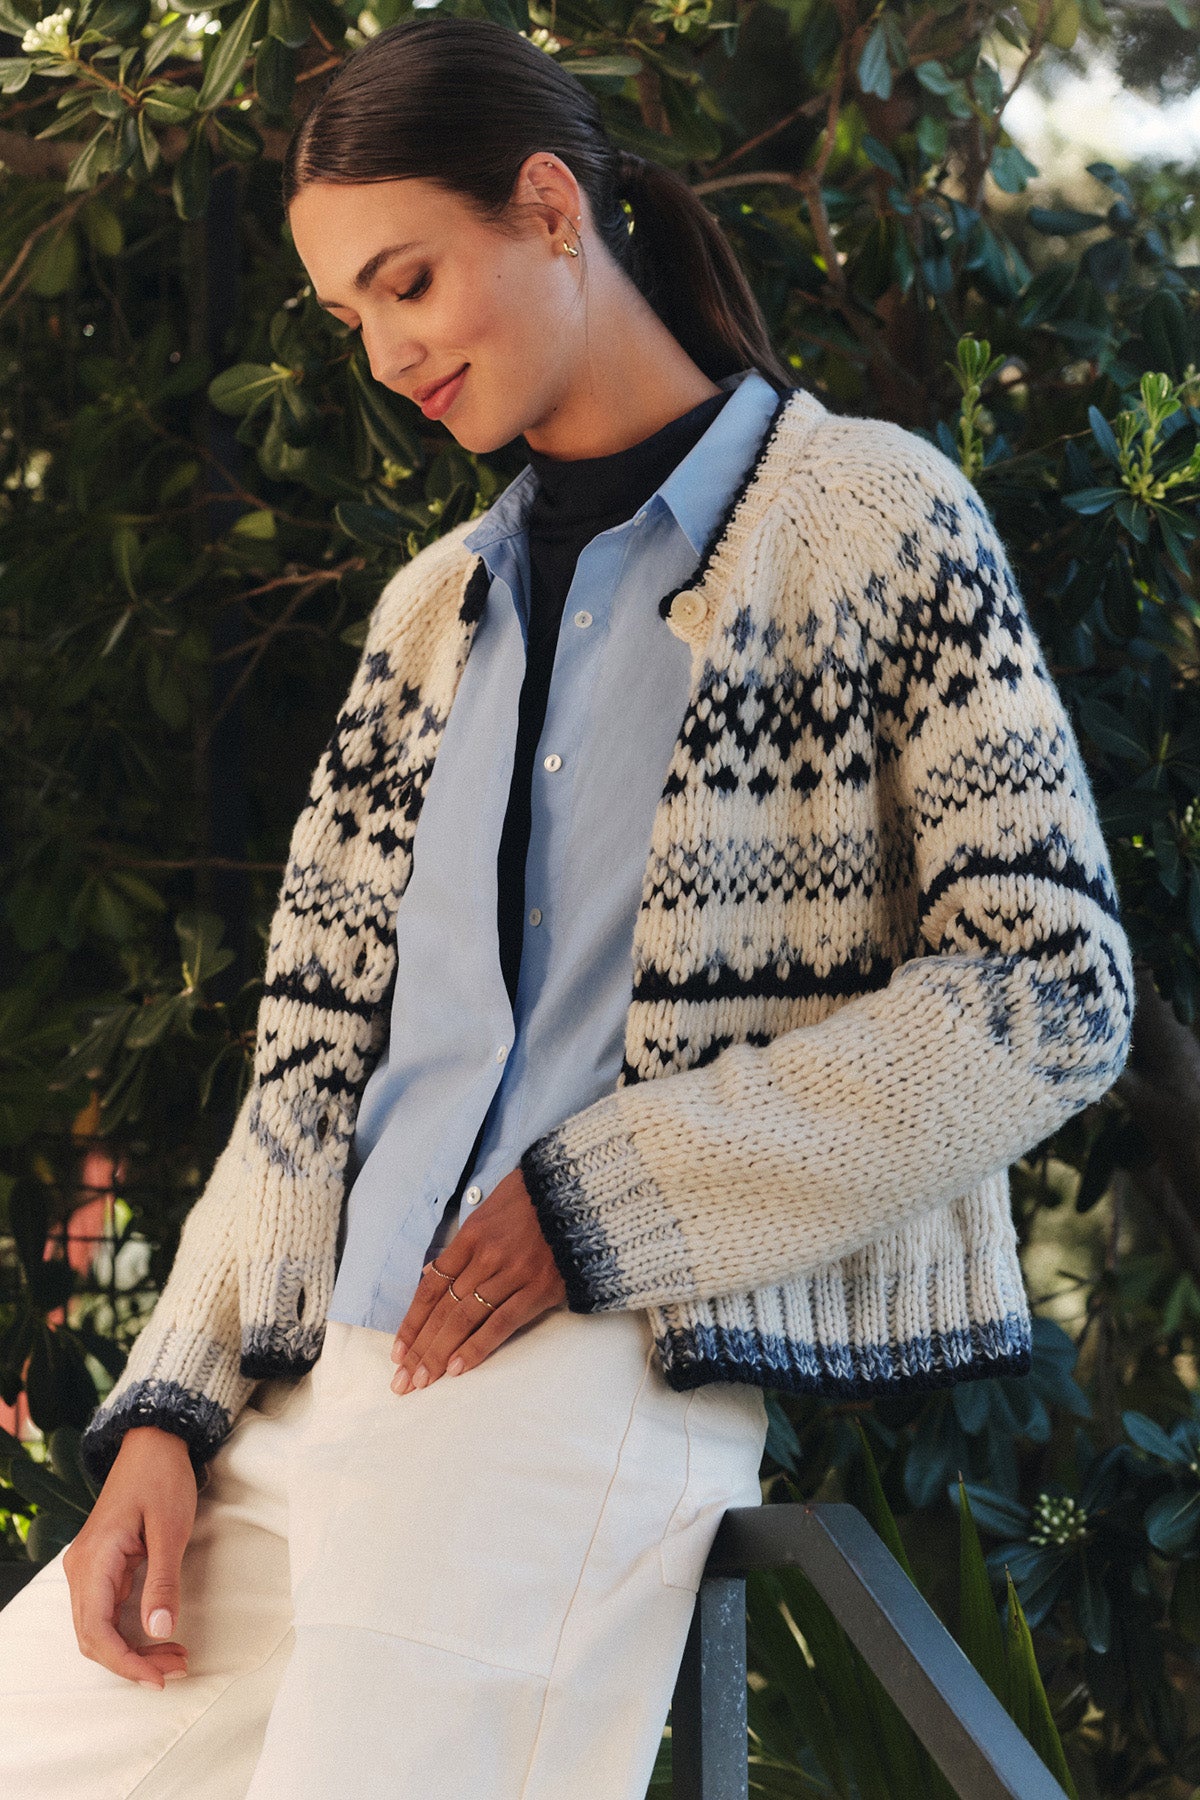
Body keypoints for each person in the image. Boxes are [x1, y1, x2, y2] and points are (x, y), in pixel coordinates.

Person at [0, 14, 1135, 1799]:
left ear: (548, 207)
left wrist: (612, 1197)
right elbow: (308, 1070)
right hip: (310, 1394)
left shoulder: (868, 523)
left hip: (577, 1383)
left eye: (408, 281)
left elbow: (1052, 983)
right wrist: (171, 1404)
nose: (385, 353)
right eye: (346, 316)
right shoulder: (426, 614)